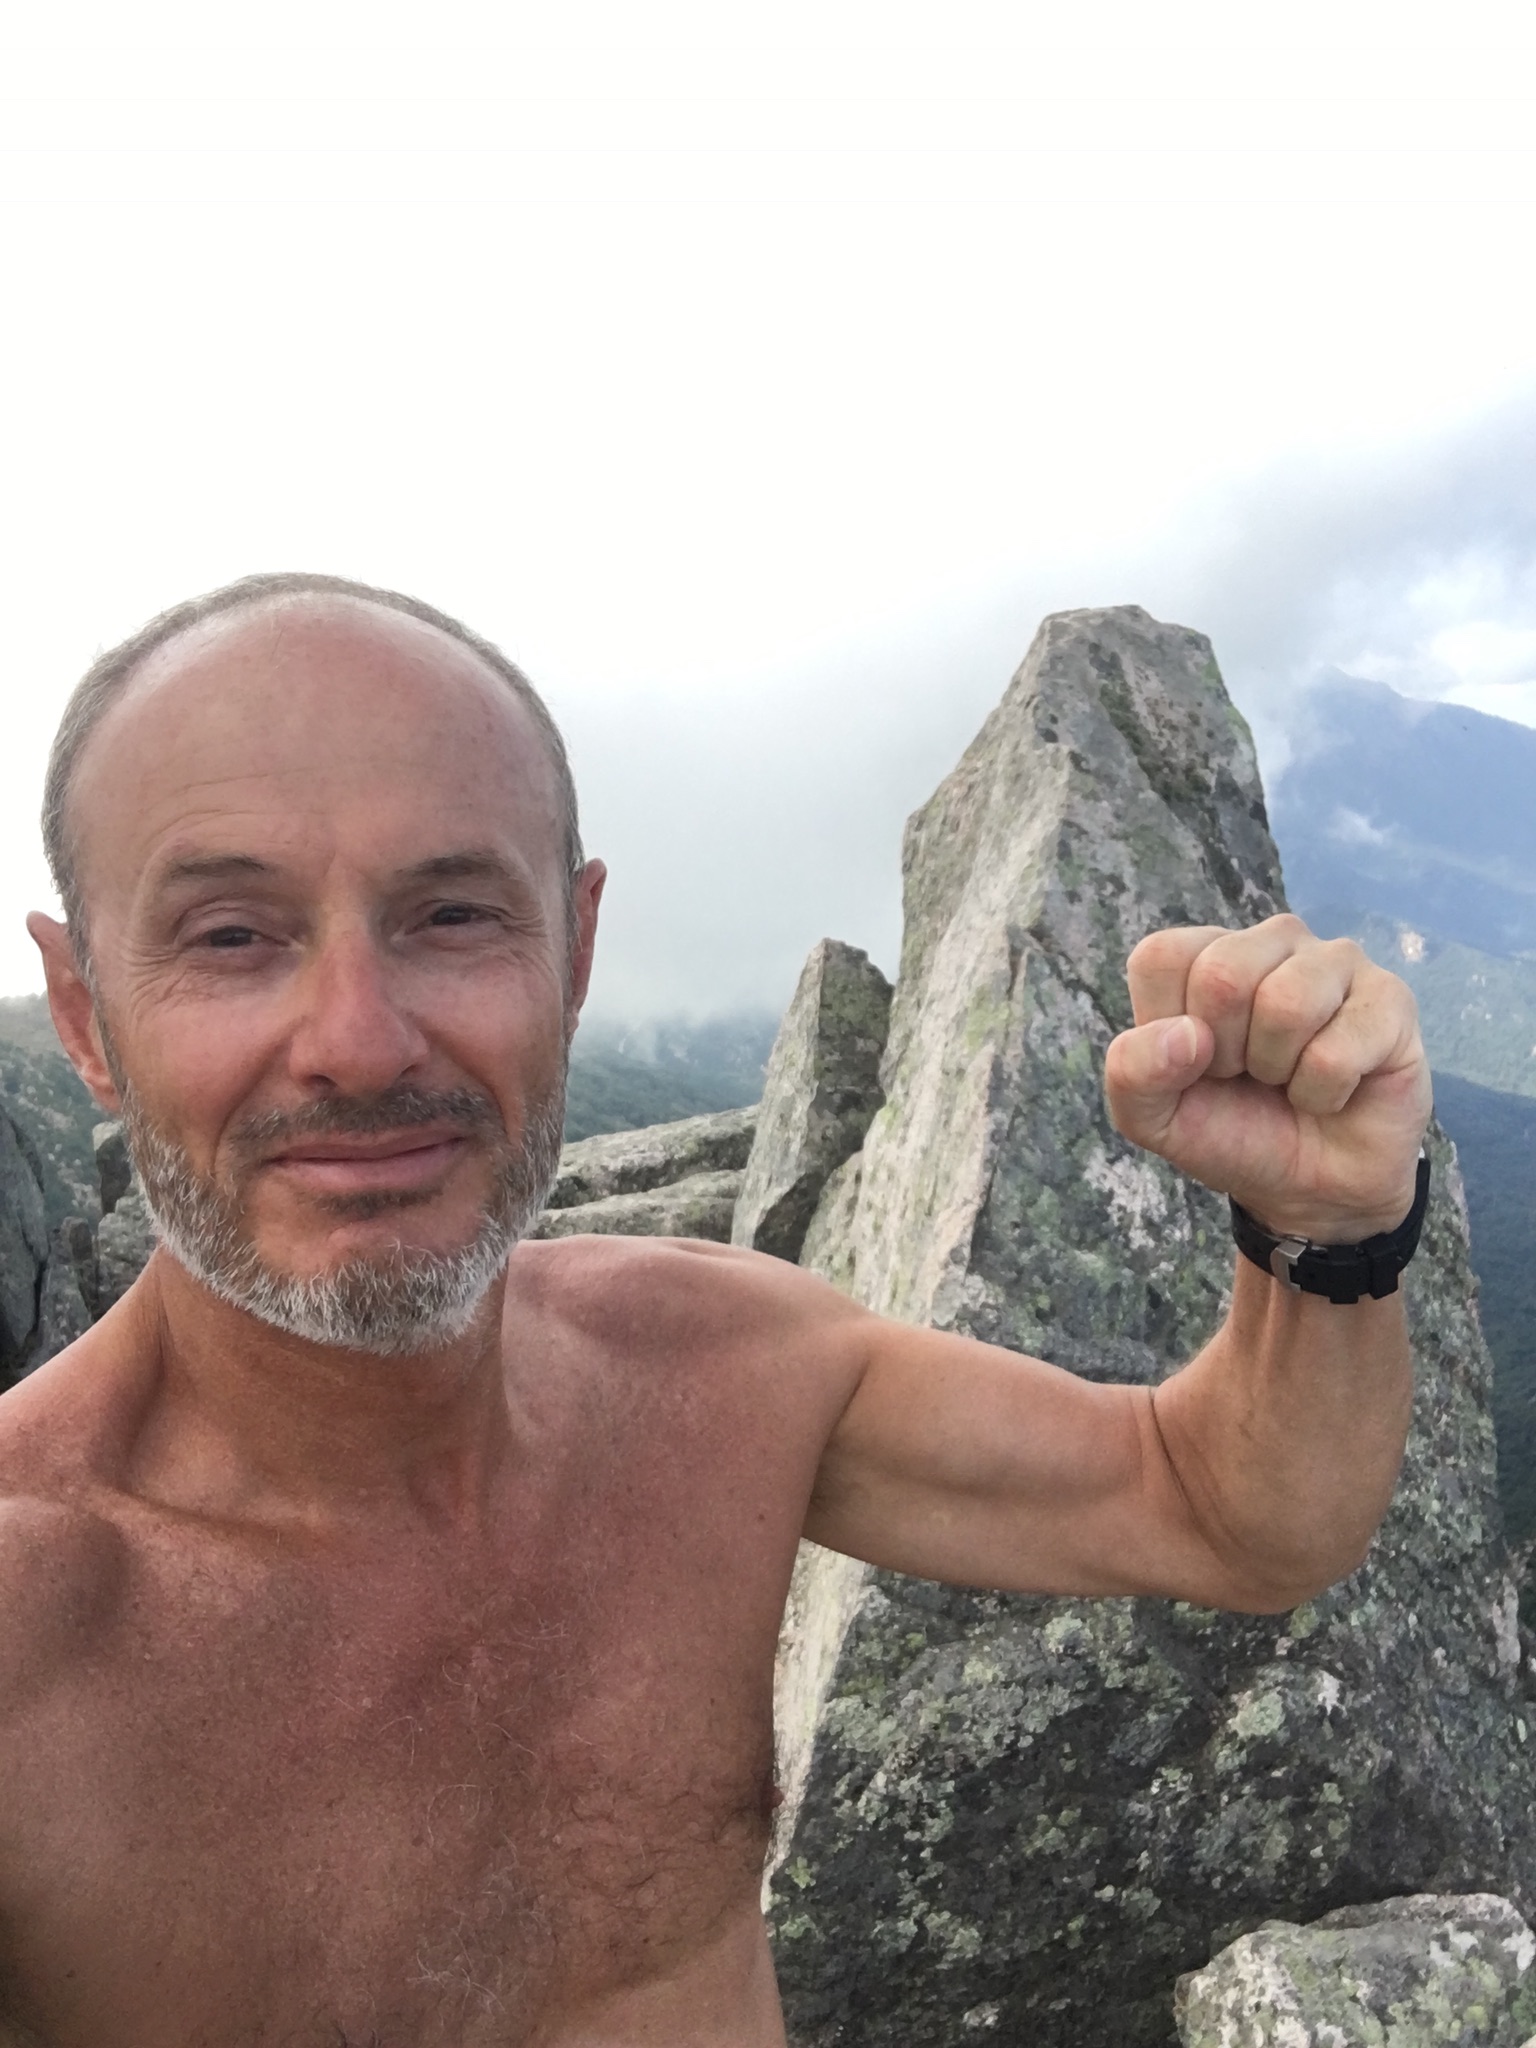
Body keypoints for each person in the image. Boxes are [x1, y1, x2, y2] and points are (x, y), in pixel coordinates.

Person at [3, 572, 1430, 2048]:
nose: (359, 1041)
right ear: (85, 1014)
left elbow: (1226, 1510)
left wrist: (1328, 1230)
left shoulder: (711, 1378)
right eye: (232, 936)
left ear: (574, 953)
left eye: (452, 914)